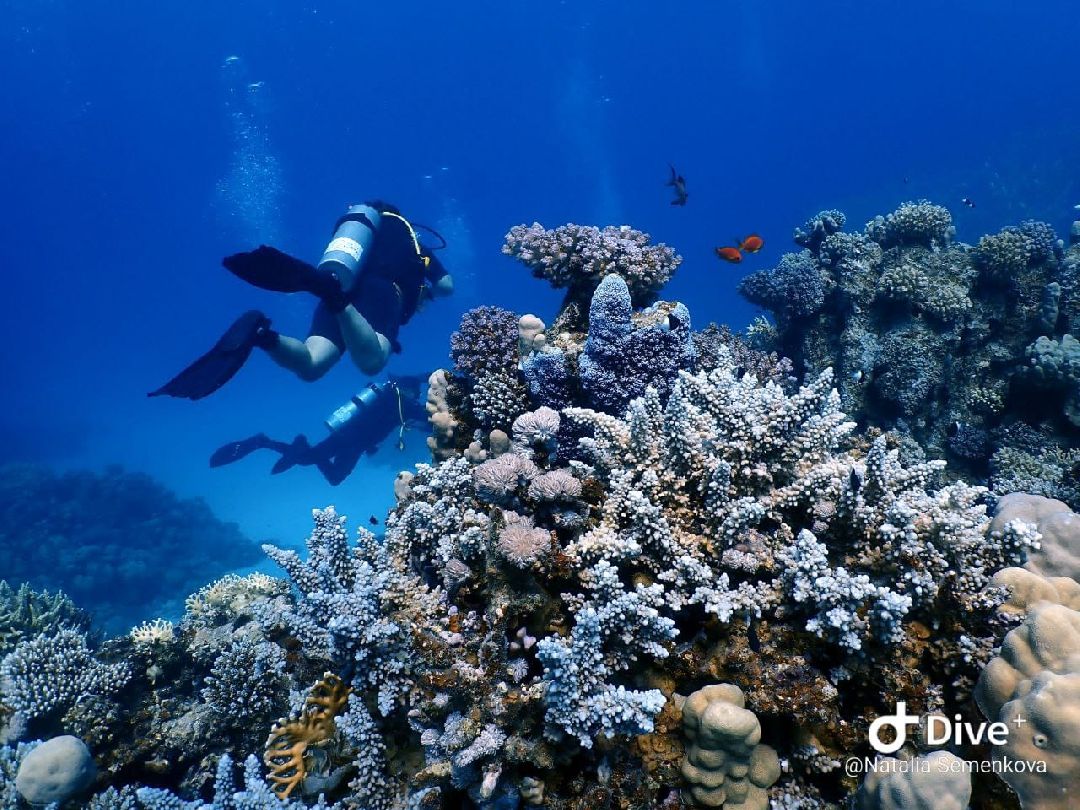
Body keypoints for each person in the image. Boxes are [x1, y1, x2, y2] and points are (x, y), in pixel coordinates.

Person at [149, 201, 453, 400]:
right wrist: (428, 278)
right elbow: (446, 286)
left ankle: (262, 334)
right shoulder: (412, 241)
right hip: (382, 291)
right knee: (371, 362)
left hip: (341, 281)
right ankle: (331, 295)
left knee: (311, 364)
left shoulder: (359, 244)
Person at [209, 375, 428, 486]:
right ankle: (295, 442)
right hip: (352, 442)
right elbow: (426, 418)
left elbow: (377, 424)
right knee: (334, 477)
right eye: (415, 394)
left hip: (346, 435)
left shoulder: (387, 397)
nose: (416, 398)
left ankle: (263, 442)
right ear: (407, 391)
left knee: (307, 460)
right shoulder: (402, 404)